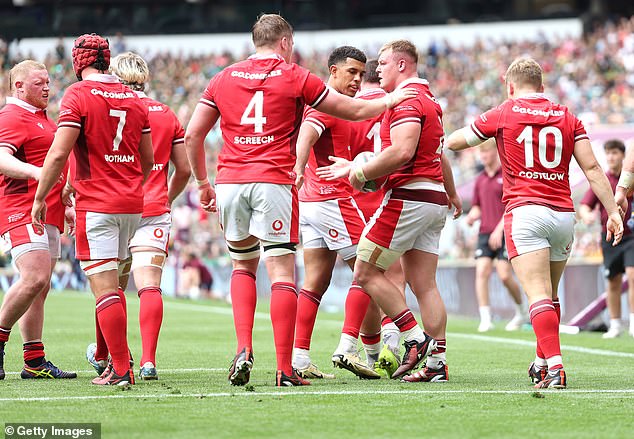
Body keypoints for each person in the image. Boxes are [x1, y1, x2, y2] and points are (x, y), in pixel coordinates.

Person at [184, 14, 415, 387]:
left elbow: (193, 134)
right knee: (281, 273)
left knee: (243, 267)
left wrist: (202, 183)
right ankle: (285, 367)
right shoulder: (295, 75)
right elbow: (352, 110)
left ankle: (244, 347)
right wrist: (392, 98)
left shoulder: (222, 77)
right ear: (286, 43)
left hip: (229, 181)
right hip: (274, 181)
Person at [446, 57, 623, 389]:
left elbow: (457, 141)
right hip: (562, 216)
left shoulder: (503, 112)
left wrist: (445, 141)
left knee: (538, 295)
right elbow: (594, 170)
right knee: (551, 296)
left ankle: (555, 368)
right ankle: (541, 361)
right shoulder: (568, 117)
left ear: (509, 85)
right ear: (542, 87)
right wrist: (613, 211)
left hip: (526, 212)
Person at [318, 39, 462, 383]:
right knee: (424, 284)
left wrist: (358, 171)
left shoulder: (409, 99)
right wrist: (453, 194)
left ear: (401, 65)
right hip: (433, 198)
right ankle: (437, 363)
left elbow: (401, 152)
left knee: (364, 272)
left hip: (408, 197)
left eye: (381, 63)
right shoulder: (430, 99)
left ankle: (412, 337)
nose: (375, 69)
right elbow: (438, 155)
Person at [32, 33, 154, 386]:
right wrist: (127, 181)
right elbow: (148, 159)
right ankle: (115, 362)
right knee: (115, 285)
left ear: (79, 62)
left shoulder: (78, 94)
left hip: (97, 203)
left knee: (104, 290)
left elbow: (58, 153)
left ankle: (119, 369)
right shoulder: (134, 98)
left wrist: (42, 197)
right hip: (131, 204)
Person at [89, 51, 189, 381]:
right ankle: (148, 361)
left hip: (115, 206)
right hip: (154, 209)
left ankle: (107, 357)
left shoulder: (110, 107)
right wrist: (166, 198)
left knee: (109, 288)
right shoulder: (165, 113)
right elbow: (184, 169)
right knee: (149, 287)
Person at [292, 46, 378, 380]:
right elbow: (307, 132)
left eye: (361, 73)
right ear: (333, 71)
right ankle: (347, 346)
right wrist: (298, 167)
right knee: (369, 271)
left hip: (313, 203)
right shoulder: (326, 102)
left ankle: (299, 357)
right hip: (333, 201)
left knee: (316, 282)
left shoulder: (341, 105)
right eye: (351, 72)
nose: (358, 79)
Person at [0, 60, 76, 380]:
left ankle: (33, 361)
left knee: (40, 286)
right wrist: (36, 174)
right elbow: (2, 158)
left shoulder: (43, 119)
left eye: (47, 82)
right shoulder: (11, 116)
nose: (47, 87)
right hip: (20, 207)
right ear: (18, 86)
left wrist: (65, 200)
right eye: (38, 83)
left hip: (49, 210)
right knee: (34, 277)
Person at [346, 59, 405, 378]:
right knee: (393, 273)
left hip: (350, 198)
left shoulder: (347, 106)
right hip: (385, 195)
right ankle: (394, 343)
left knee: (364, 275)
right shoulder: (390, 105)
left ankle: (369, 353)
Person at [464, 139, 526, 332]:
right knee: (481, 272)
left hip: (505, 231)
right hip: (485, 232)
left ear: (495, 153)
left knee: (505, 276)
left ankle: (521, 311)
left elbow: (511, 205)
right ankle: (485, 318)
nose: (483, 156)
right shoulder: (480, 179)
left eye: (486, 152)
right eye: (481, 154)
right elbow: (477, 206)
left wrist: (499, 230)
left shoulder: (506, 176)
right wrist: (473, 216)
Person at [580, 139, 634, 338]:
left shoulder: (630, 179)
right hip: (609, 236)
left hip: (631, 235)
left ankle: (633, 323)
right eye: (608, 153)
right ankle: (615, 324)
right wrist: (587, 215)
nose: (611, 157)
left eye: (615, 153)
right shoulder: (603, 181)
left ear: (623, 156)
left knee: (633, 274)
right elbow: (585, 206)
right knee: (613, 281)